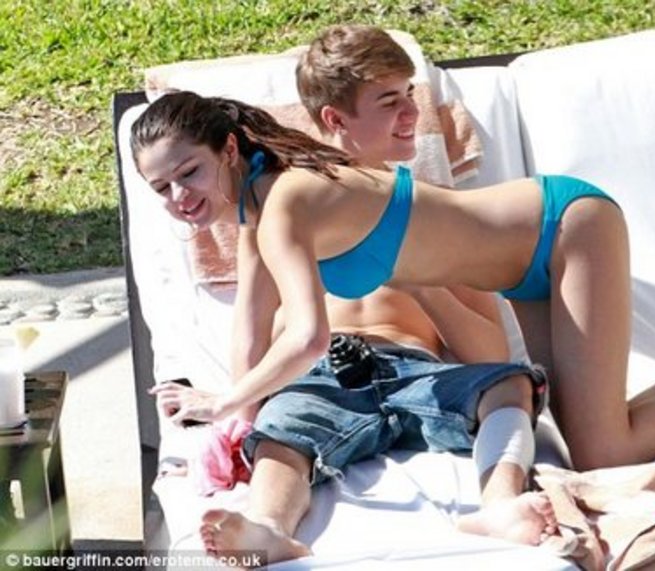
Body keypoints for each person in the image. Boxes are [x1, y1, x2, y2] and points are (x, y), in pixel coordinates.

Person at [133, 40, 655, 467]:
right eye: (160, 187)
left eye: (188, 173)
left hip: (563, 226)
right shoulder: (258, 215)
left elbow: (308, 336)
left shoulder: (286, 200)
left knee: (604, 453)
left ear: (229, 149)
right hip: (522, 268)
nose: (177, 197)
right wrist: (234, 421)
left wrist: (225, 401)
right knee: (584, 439)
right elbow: (251, 332)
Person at [146, 26, 564, 564]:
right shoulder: (276, 212)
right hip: (317, 379)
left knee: (512, 385)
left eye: (410, 97)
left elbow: (491, 355)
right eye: (389, 103)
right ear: (336, 120)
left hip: (415, 370)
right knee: (281, 434)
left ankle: (501, 505)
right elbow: (252, 334)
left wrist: (413, 276)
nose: (410, 114)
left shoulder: (436, 211)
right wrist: (237, 412)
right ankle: (268, 526)